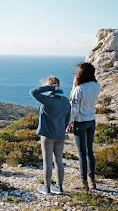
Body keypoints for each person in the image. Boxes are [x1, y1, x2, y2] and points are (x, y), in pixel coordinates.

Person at [30, 76, 71, 195]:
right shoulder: (65, 101)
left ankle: (47, 188)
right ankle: (59, 187)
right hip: (60, 135)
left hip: (47, 134)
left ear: (50, 85)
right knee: (58, 160)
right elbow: (67, 119)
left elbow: (33, 92)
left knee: (47, 161)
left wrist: (50, 88)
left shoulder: (48, 100)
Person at [66, 62, 100, 190]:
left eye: (78, 71)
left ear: (82, 73)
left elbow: (74, 108)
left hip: (80, 122)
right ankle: (92, 180)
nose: (76, 73)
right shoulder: (97, 86)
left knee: (82, 153)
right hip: (91, 120)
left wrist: (68, 123)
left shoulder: (79, 89)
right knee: (90, 152)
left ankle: (83, 181)